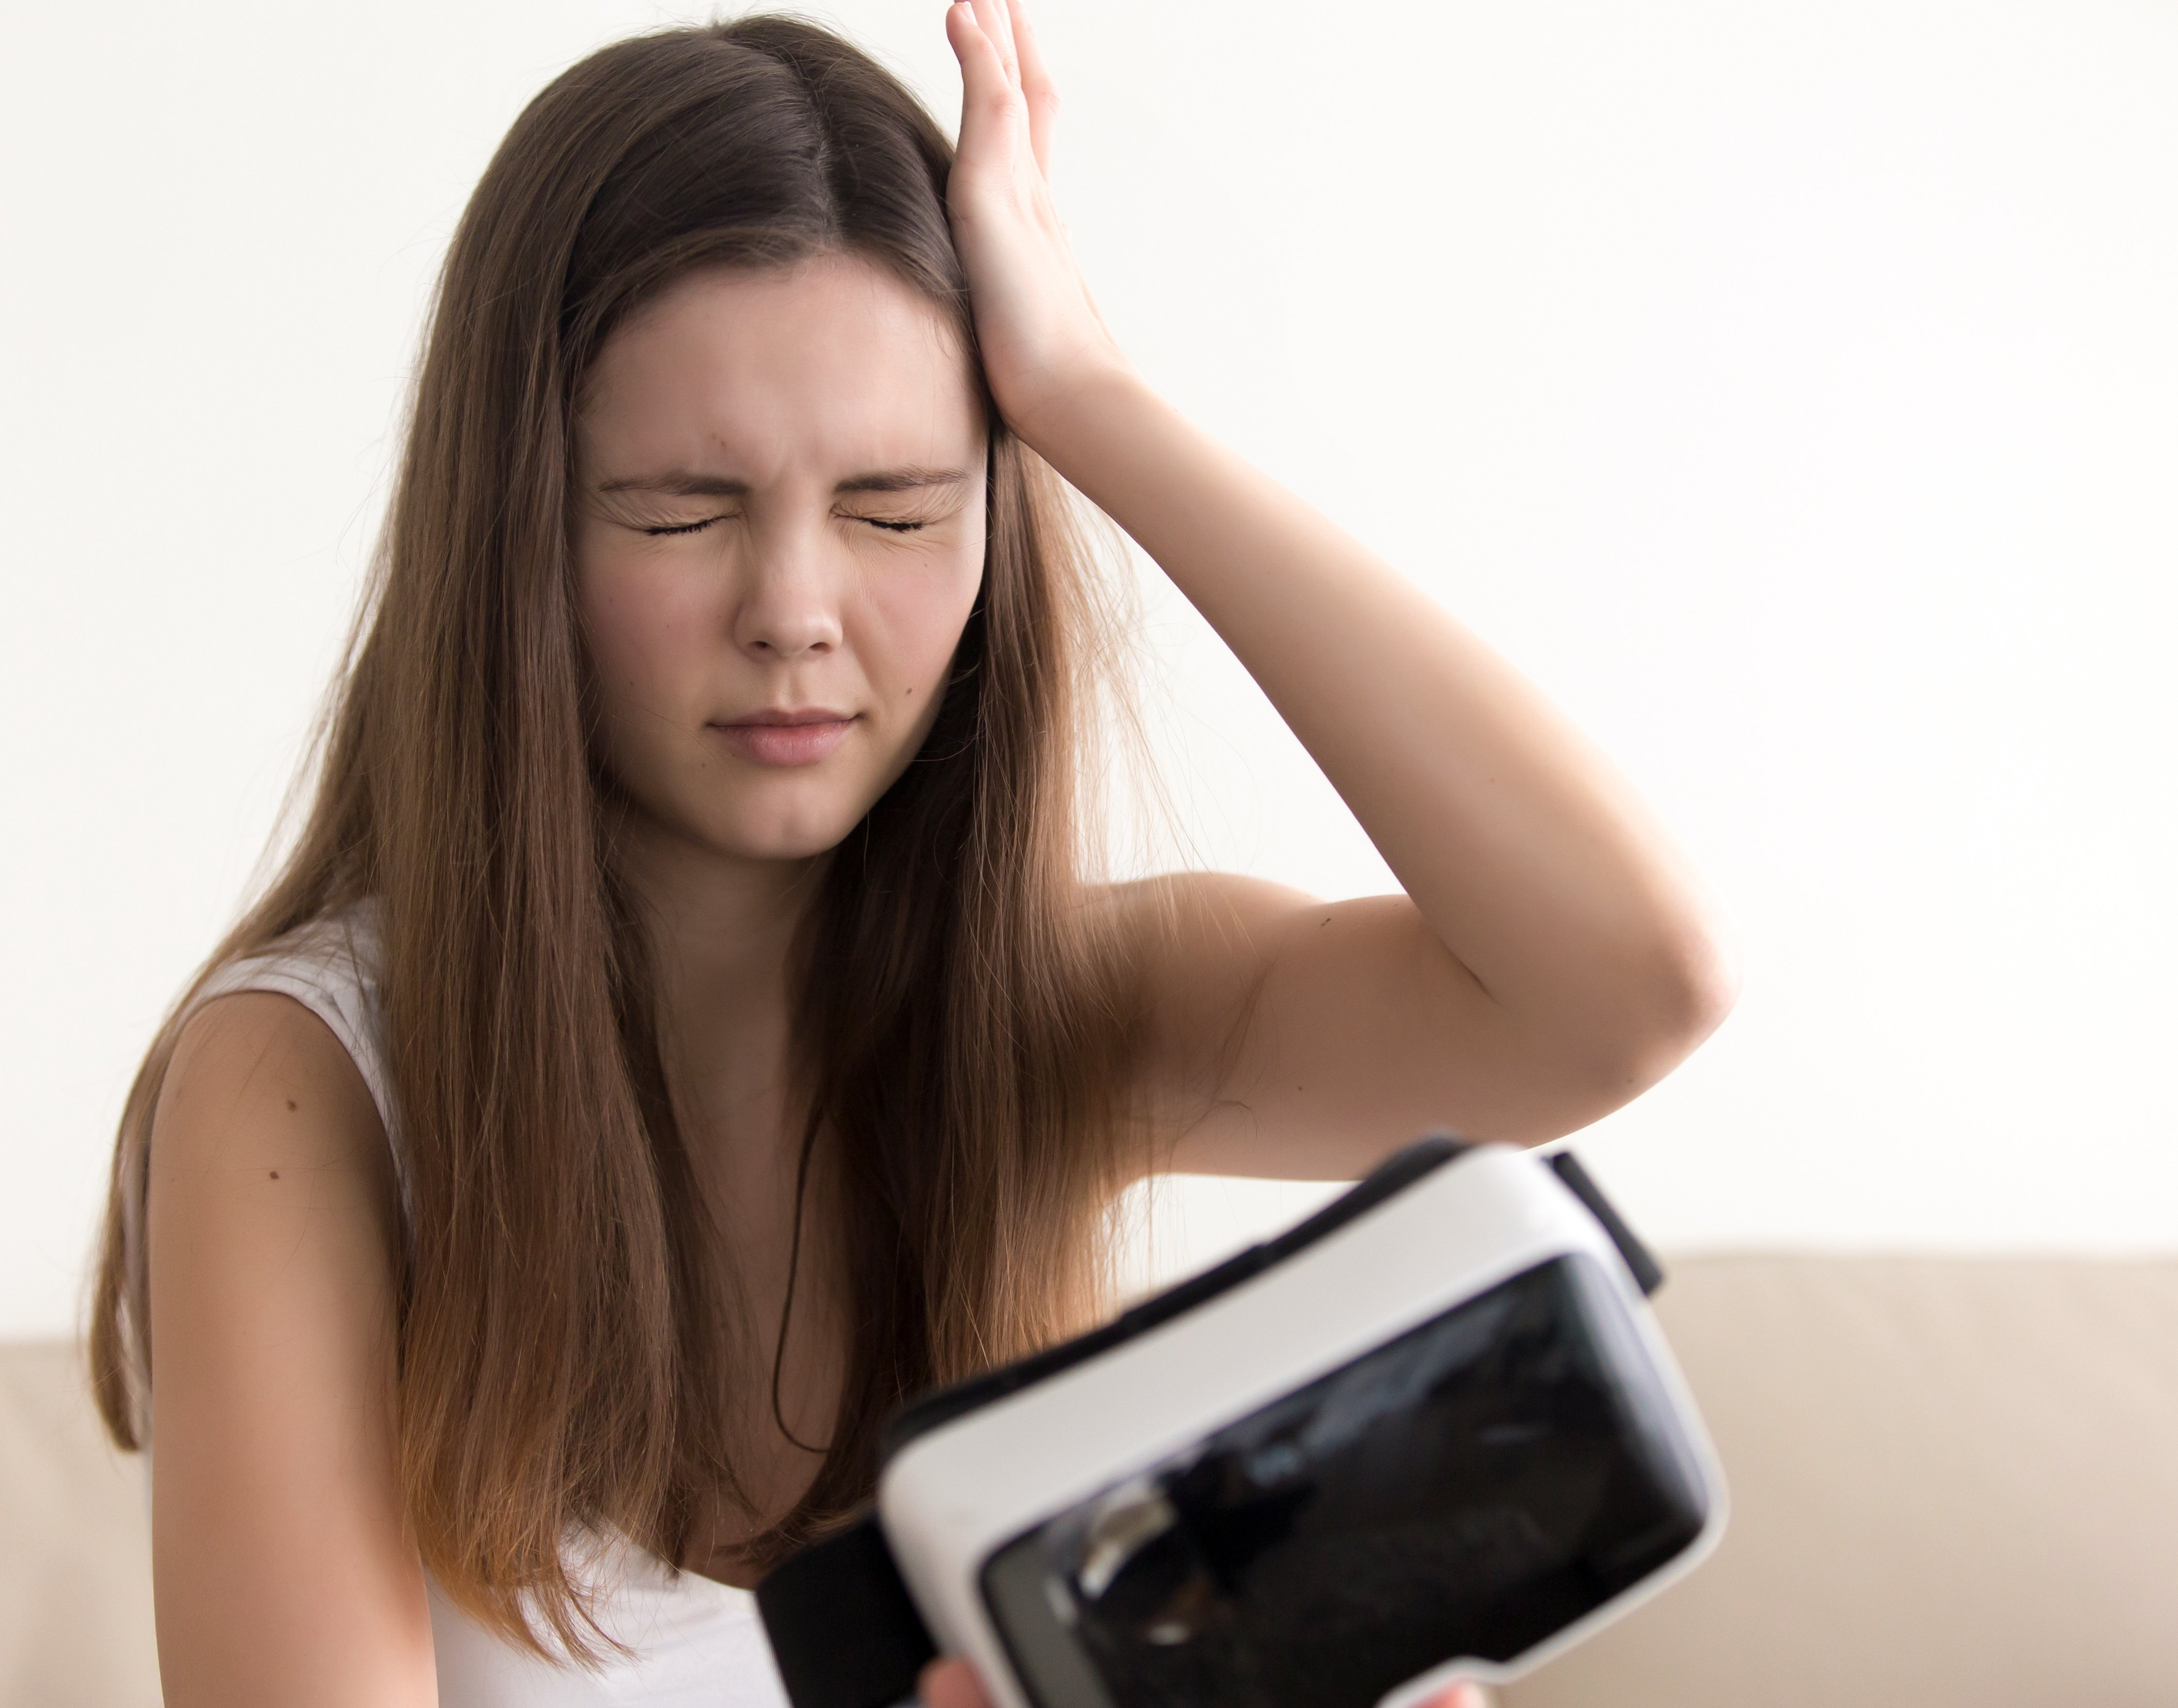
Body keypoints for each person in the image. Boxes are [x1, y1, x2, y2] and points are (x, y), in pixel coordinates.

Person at [86, 3, 1736, 1705]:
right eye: (678, 509)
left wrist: (1091, 399)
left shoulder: (1062, 1013)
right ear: (517, 531)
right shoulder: (299, 1091)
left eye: (892, 509)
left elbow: (1623, 989)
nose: (793, 614)